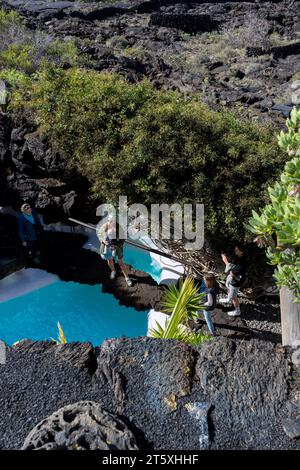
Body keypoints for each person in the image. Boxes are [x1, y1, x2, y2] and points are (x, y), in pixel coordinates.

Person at [97, 216, 133, 287]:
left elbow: (123, 239)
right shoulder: (105, 226)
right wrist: (103, 241)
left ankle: (127, 277)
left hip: (117, 247)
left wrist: (117, 246)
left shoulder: (119, 228)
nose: (111, 223)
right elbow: (99, 234)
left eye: (112, 221)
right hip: (106, 247)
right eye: (109, 221)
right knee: (109, 260)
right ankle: (113, 271)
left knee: (121, 263)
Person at [219, 243, 248, 317]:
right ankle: (228, 299)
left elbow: (232, 273)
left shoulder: (243, 263)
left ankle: (237, 311)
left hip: (236, 282)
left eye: (237, 250)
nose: (235, 251)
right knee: (229, 288)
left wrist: (226, 262)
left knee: (234, 297)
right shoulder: (239, 257)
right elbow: (232, 266)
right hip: (234, 280)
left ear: (241, 251)